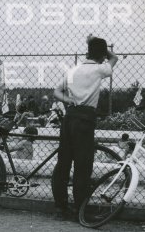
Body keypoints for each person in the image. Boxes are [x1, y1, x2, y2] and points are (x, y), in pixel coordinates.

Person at [51, 35, 118, 219]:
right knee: (83, 165)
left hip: (70, 116)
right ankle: (80, 209)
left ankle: (60, 208)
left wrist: (68, 100)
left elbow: (56, 92)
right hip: (86, 118)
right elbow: (114, 58)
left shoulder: (74, 70)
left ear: (88, 52)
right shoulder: (99, 69)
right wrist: (96, 44)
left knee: (63, 163)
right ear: (102, 55)